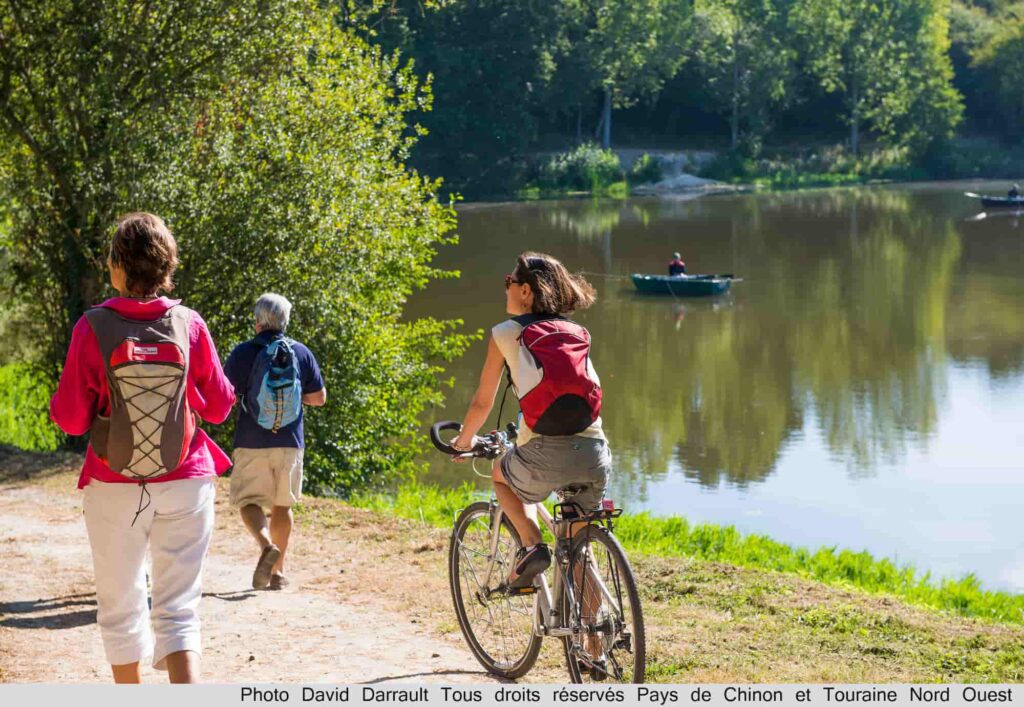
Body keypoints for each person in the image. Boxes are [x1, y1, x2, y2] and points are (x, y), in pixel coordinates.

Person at [50, 212, 236, 684]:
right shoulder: (189, 324)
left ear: (116, 266)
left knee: (120, 609)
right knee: (178, 614)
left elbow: (71, 418)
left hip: (113, 484)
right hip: (186, 480)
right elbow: (217, 409)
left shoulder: (91, 327)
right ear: (167, 266)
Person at [452, 252, 611, 590]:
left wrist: (465, 441)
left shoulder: (505, 333)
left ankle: (531, 545)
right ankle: (597, 642)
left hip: (543, 451)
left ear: (526, 291)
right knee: (578, 548)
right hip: (595, 452)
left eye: (509, 282)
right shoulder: (577, 331)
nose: (506, 288)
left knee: (500, 476)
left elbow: (483, 401)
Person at [224, 293, 326, 591]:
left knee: (248, 501)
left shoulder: (242, 353)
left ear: (257, 322)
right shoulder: (300, 352)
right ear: (285, 320)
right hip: (291, 441)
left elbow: (226, 396)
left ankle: (266, 544)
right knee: (282, 506)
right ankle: (278, 574)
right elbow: (319, 399)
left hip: (251, 439)